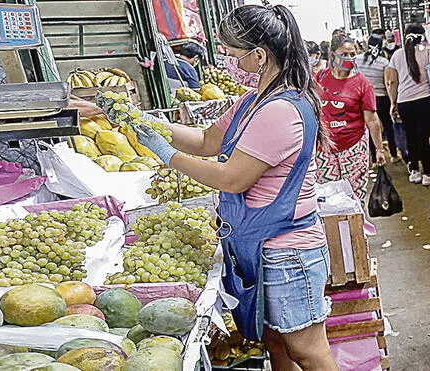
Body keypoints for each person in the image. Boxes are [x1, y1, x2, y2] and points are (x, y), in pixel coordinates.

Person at [131, 3, 339, 370]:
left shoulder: (280, 110)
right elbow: (208, 141)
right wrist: (146, 122)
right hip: (255, 245)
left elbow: (232, 178)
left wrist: (166, 155)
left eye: (230, 52)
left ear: (258, 55)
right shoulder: (252, 102)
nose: (226, 58)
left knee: (307, 349)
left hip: (286, 251)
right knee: (275, 340)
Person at [315, 34, 386, 208]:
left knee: (354, 199)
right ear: (332, 55)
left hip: (353, 149)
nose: (348, 59)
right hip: (323, 149)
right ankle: (334, 234)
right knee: (328, 200)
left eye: (352, 54)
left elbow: (372, 120)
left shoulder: (362, 84)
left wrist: (379, 149)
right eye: (344, 54)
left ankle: (356, 233)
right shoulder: (319, 78)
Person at [386, 23, 430, 186]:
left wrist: (393, 103)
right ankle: (428, 174)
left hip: (404, 102)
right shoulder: (427, 52)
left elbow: (392, 81)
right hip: (424, 101)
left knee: (410, 137)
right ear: (423, 36)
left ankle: (414, 172)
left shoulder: (397, 55)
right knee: (423, 137)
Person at [357, 34, 401, 164]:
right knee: (388, 126)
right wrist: (393, 102)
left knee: (370, 127)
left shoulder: (357, 60)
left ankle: (374, 159)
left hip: (365, 99)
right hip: (382, 98)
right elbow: (388, 83)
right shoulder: (384, 62)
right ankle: (393, 155)